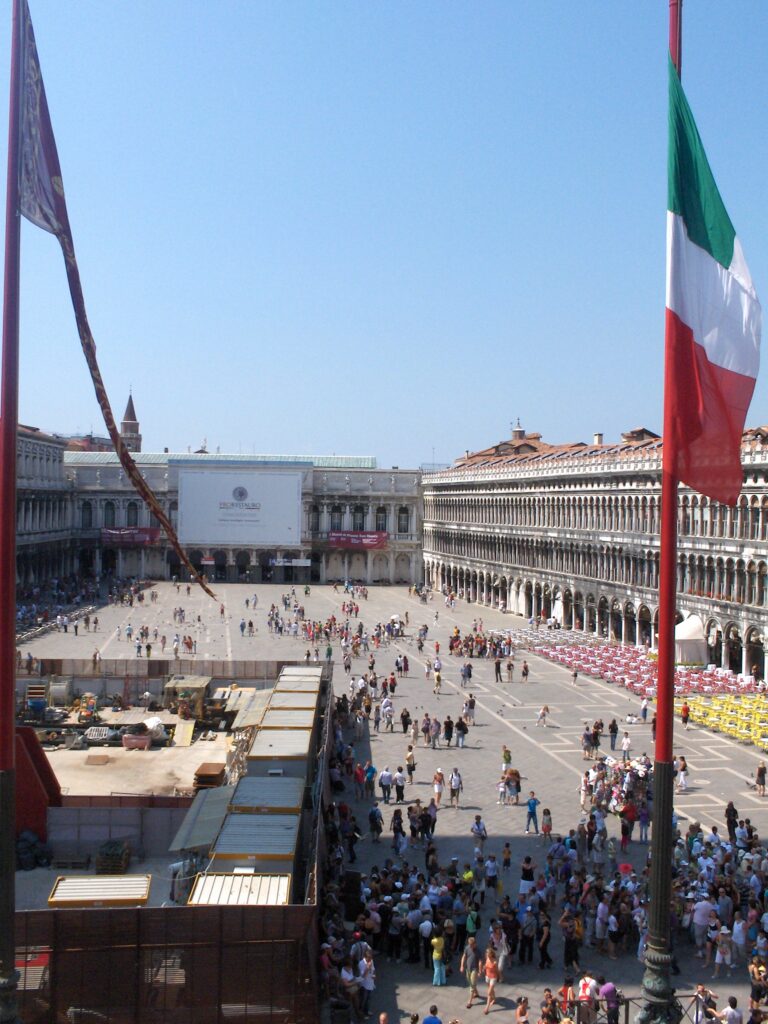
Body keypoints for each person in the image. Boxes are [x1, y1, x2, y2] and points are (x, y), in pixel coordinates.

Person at [460, 935, 480, 1008]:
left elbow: (480, 961)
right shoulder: (467, 948)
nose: (470, 946)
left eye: (472, 945)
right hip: (468, 969)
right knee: (470, 982)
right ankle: (476, 993)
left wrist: (480, 970)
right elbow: (464, 956)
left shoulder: (478, 951)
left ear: (475, 944)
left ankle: (470, 1002)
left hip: (475, 969)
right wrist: (462, 966)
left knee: (472, 985)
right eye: (469, 945)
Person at [482, 947, 499, 1015]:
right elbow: (486, 965)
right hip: (487, 976)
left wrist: (499, 977)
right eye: (486, 953)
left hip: (493, 978)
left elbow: (497, 970)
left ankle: (487, 1008)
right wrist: (483, 968)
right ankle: (494, 999)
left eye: (488, 953)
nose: (487, 954)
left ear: (491, 954)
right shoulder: (487, 958)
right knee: (491, 990)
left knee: (489, 992)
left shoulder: (495, 962)